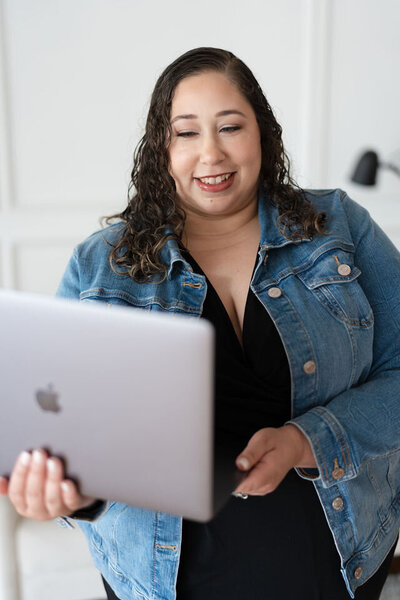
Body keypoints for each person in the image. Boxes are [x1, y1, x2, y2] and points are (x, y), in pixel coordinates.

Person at [1, 47, 400, 600]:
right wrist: (65, 493)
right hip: (163, 581)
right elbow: (67, 435)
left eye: (230, 126)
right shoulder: (99, 267)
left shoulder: (339, 225)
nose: (210, 153)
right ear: (160, 150)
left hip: (336, 561)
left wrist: (307, 442)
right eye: (185, 133)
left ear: (262, 132)